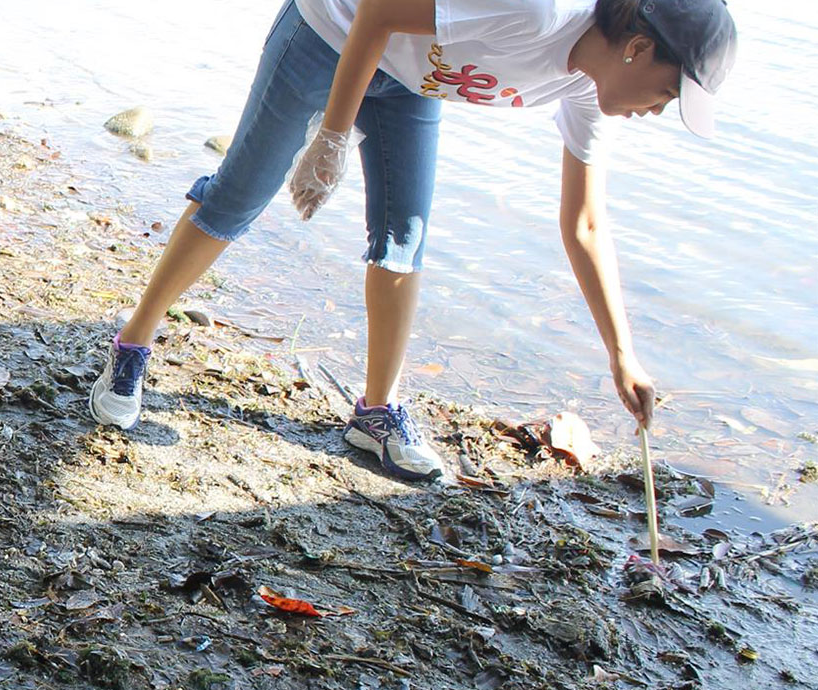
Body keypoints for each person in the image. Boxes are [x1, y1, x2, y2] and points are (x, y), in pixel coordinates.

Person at [84, 0, 735, 482]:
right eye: (669, 92)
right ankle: (131, 345)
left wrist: (623, 355)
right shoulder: (540, 10)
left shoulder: (592, 93)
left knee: (404, 235)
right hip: (334, 30)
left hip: (415, 75)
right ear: (639, 48)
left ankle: (376, 413)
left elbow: (585, 223)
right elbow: (374, 14)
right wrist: (332, 137)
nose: (660, 111)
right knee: (240, 196)